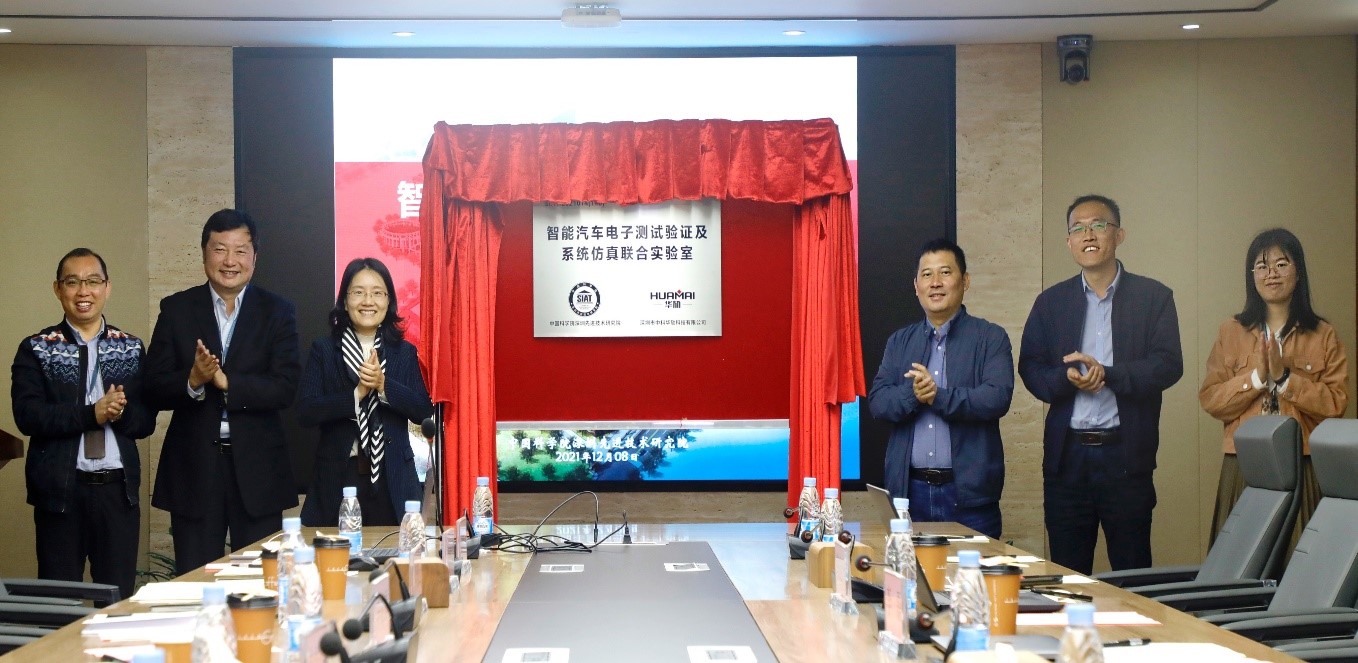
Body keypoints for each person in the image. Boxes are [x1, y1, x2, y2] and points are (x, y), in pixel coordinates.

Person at [1018, 194, 1183, 574]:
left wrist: (1109, 374)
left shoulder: (1153, 297)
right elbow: (1031, 367)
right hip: (1067, 460)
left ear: (1119, 234)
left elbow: (1168, 365)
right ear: (1069, 241)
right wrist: (1065, 379)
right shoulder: (1050, 302)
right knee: (1067, 574)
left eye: (1098, 225)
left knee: (1132, 572)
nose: (1088, 235)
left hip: (1126, 457)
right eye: (1078, 228)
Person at [145, 209, 301, 575]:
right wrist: (193, 380)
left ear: (254, 257)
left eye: (240, 250)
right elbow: (152, 386)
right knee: (197, 580)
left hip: (259, 469)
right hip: (195, 468)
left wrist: (228, 383)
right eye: (219, 249)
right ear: (204, 254)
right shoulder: (177, 309)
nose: (230, 261)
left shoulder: (278, 311)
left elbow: (285, 387)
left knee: (262, 580)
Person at [10, 248, 156, 601]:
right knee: (59, 600)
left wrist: (120, 413)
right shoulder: (37, 348)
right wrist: (92, 414)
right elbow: (28, 416)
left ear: (107, 287)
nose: (83, 291)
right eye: (72, 282)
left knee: (117, 601)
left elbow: (145, 422)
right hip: (60, 494)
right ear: (57, 289)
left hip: (117, 492)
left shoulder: (131, 348)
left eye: (93, 281)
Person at [1200, 228, 1347, 543]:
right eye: (1262, 266)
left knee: (1300, 558)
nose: (1271, 274)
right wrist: (1255, 379)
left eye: (1282, 264)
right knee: (1240, 557)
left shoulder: (1323, 334)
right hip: (1243, 461)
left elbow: (1336, 403)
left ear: (1298, 272)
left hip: (1302, 460)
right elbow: (1211, 399)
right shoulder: (1231, 331)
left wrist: (1284, 378)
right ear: (1251, 275)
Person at [868, 238, 1014, 538]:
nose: (935, 282)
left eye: (945, 272)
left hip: (970, 498)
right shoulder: (899, 341)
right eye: (927, 274)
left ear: (965, 281)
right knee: (911, 571)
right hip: (909, 496)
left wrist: (939, 396)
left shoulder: (991, 337)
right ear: (916, 286)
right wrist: (912, 394)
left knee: (972, 571)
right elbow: (878, 402)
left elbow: (997, 397)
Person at [298, 258, 433, 527]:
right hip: (340, 475)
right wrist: (356, 394)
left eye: (377, 293)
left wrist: (384, 385)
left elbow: (422, 409)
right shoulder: (324, 349)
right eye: (358, 292)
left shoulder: (404, 352)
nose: (368, 301)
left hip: (394, 476)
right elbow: (306, 412)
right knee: (338, 552)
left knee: (397, 550)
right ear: (345, 300)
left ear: (388, 300)